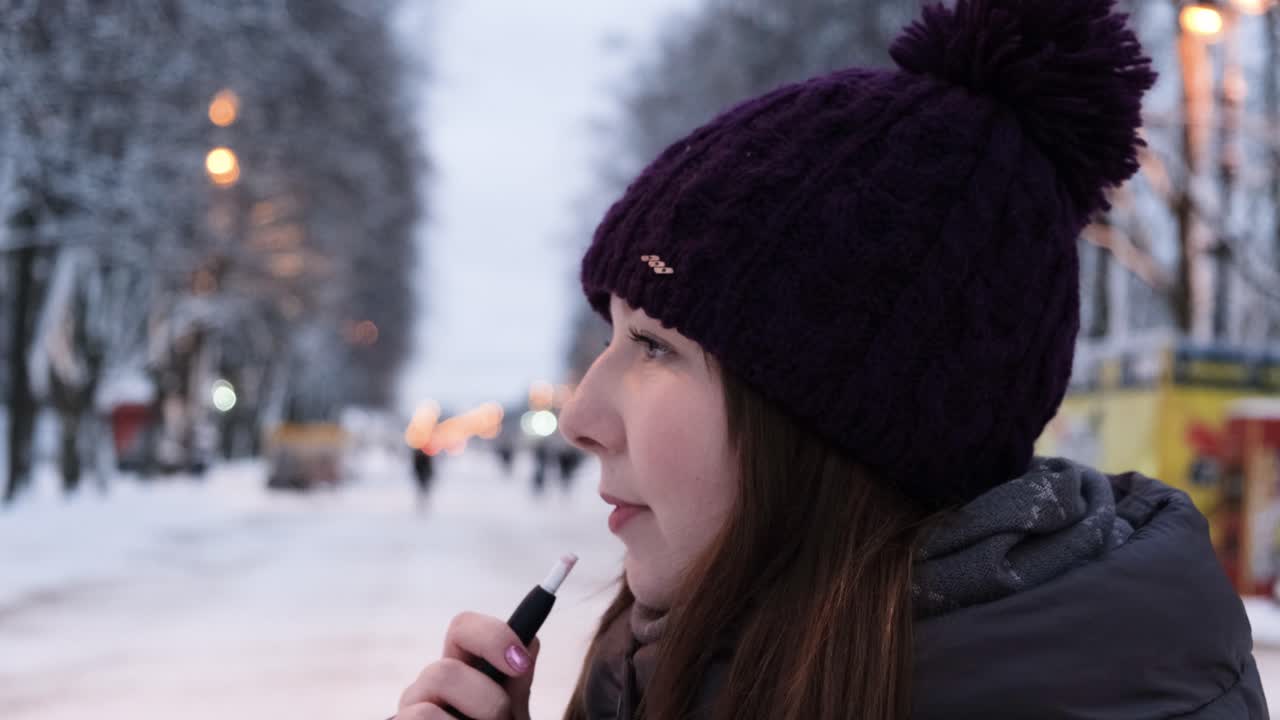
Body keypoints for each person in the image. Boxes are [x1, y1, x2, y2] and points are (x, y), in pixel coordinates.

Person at [392, 1, 1267, 718]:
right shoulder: (683, 656)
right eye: (610, 335)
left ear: (849, 428)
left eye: (655, 344)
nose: (581, 418)